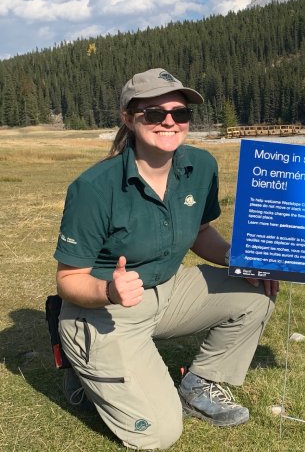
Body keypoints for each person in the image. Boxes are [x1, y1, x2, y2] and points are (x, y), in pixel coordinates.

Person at [54, 68, 279, 450]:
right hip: (105, 312)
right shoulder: (94, 188)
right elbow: (69, 279)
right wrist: (109, 290)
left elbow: (200, 232)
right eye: (155, 114)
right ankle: (83, 371)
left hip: (168, 292)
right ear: (129, 118)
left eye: (181, 113)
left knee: (256, 293)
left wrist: (241, 260)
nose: (170, 122)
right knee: (159, 434)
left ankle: (199, 384)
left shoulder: (201, 167)